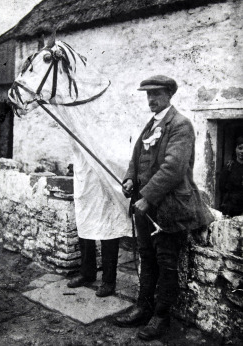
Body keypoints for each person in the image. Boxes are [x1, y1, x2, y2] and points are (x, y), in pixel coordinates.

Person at [113, 75, 214, 341]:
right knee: (146, 256)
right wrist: (129, 179)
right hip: (147, 209)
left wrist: (146, 196)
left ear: (169, 94)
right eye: (147, 95)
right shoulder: (151, 125)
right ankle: (142, 308)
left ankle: (161, 317)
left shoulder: (180, 125)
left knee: (166, 263)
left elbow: (173, 168)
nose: (151, 99)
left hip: (171, 208)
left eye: (156, 94)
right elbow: (136, 158)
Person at [219, 136, 243, 217]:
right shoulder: (229, 166)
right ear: (236, 149)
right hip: (231, 208)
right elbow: (221, 187)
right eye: (240, 148)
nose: (242, 151)